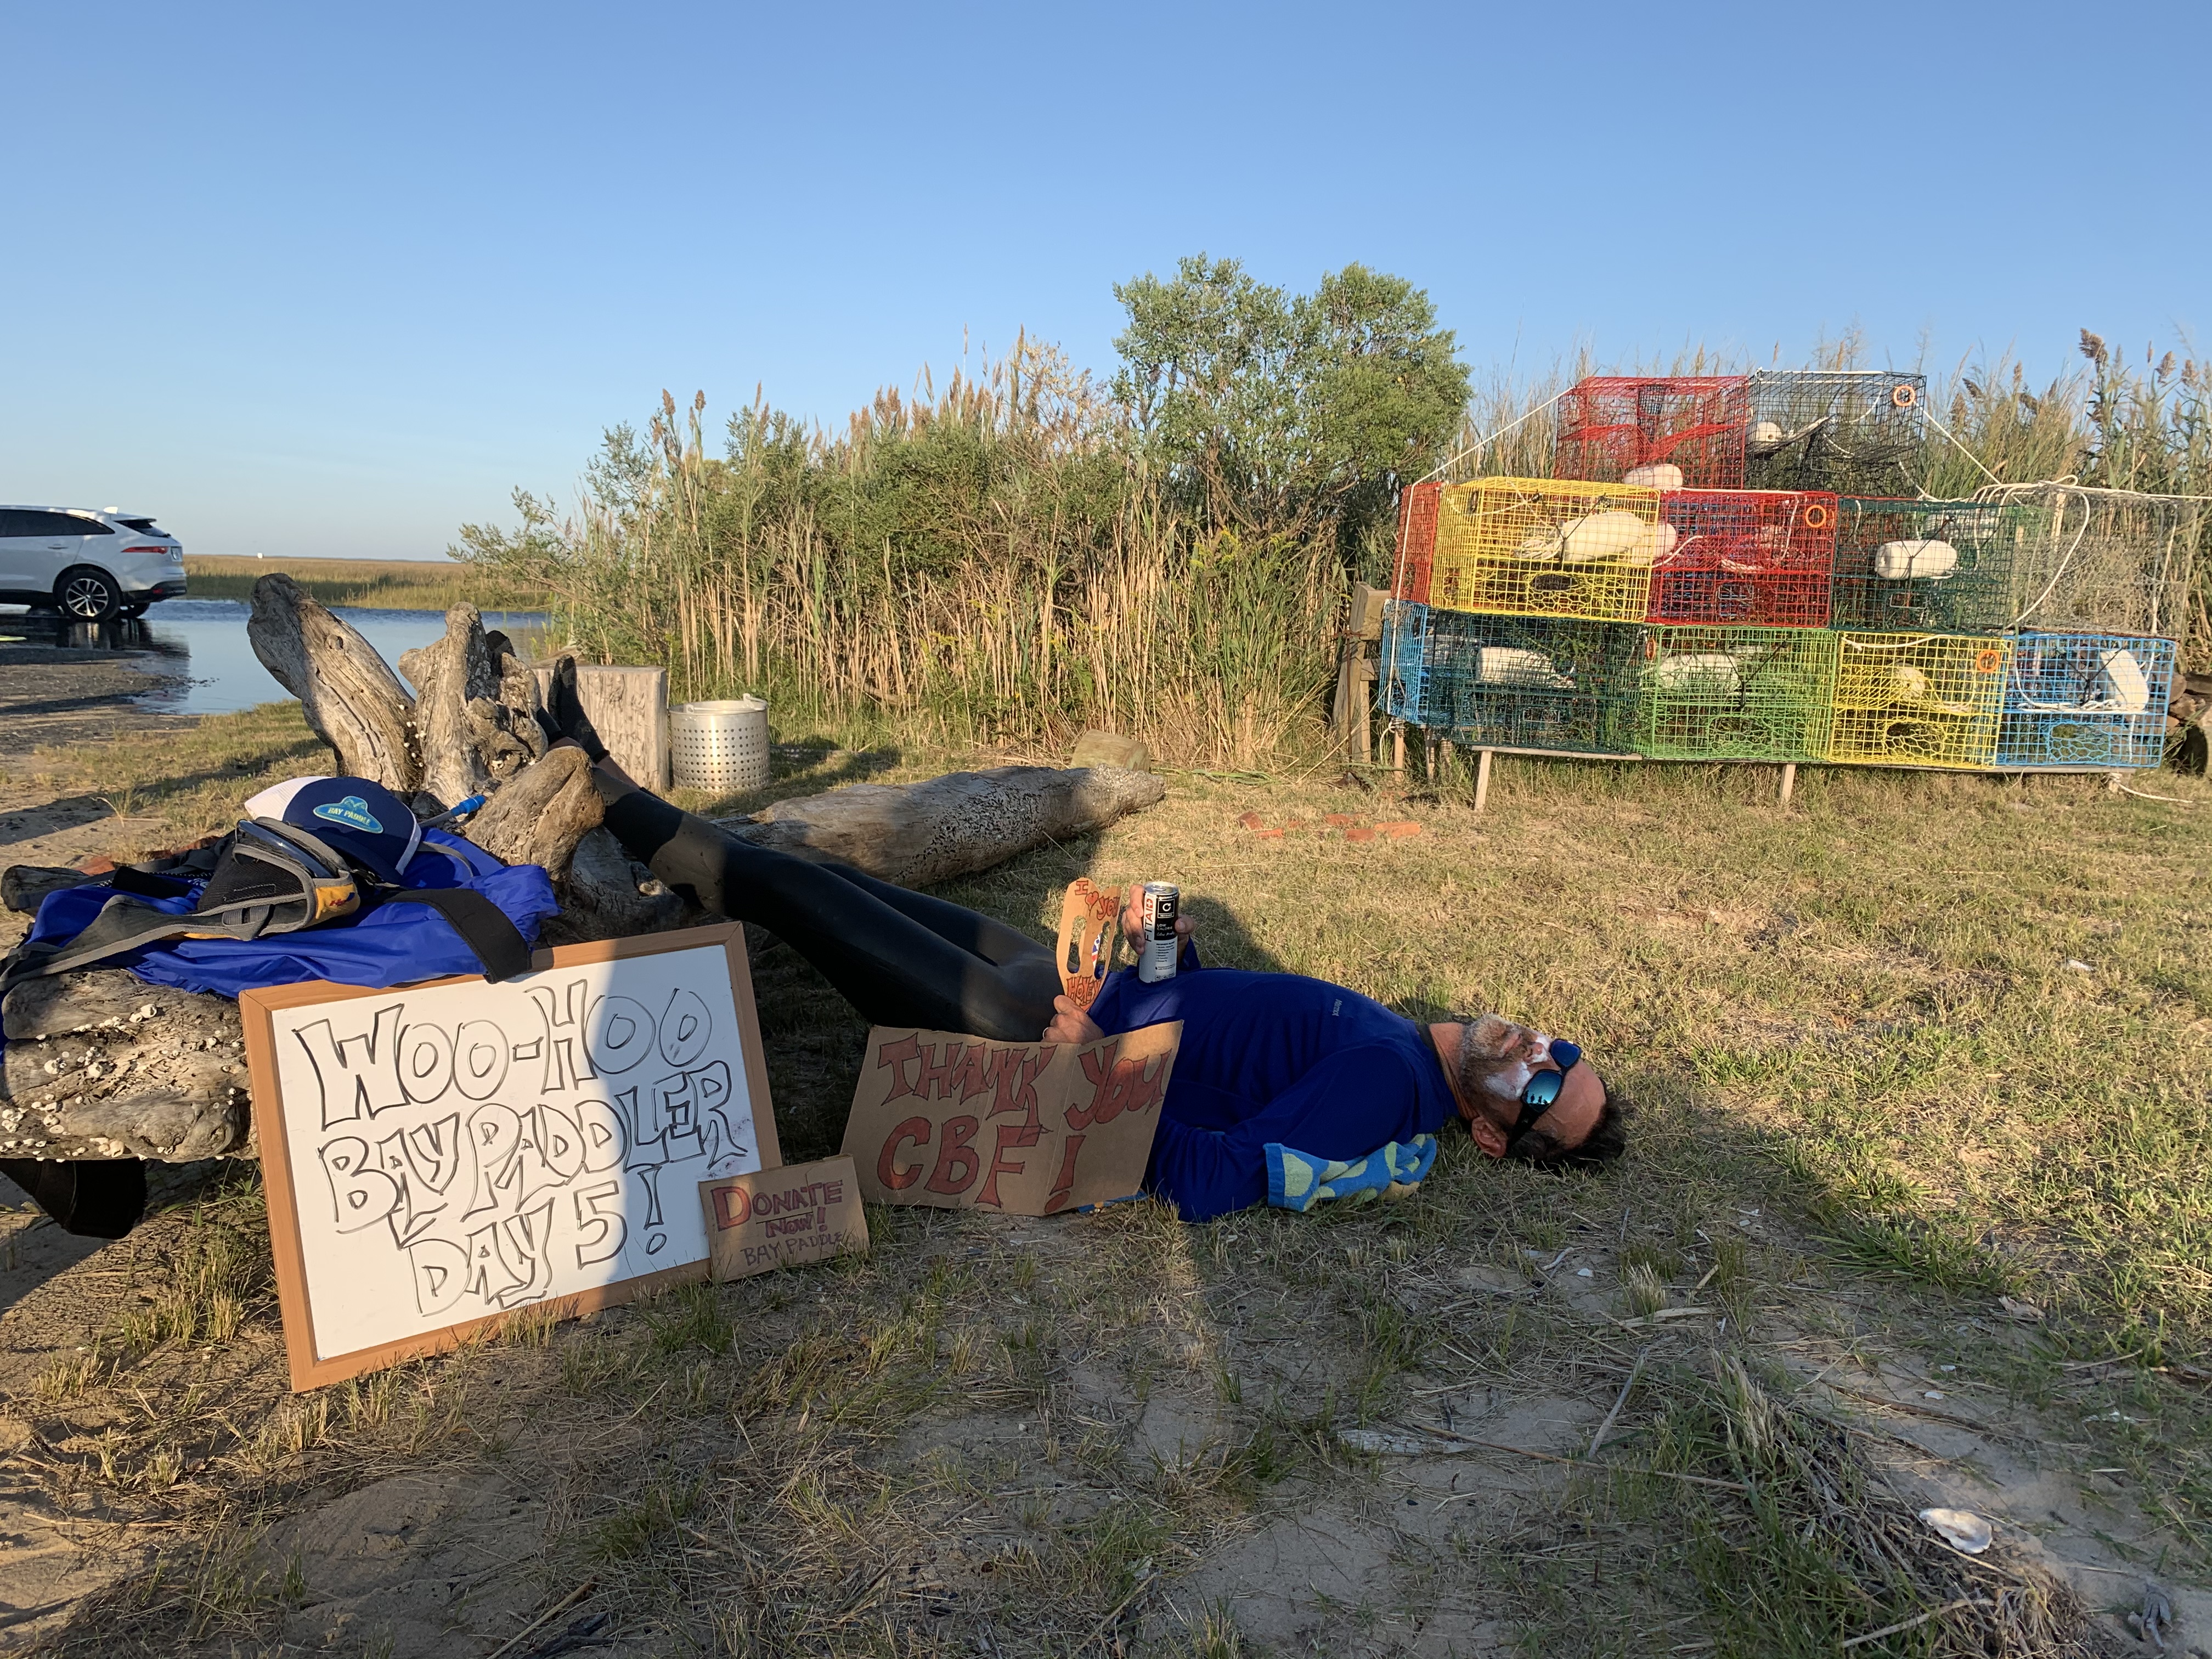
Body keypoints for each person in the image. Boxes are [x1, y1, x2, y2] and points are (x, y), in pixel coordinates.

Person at [548, 674, 1624, 1223]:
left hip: (1034, 1035)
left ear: (1494, 1139)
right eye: (1565, 1059)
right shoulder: (1402, 1035)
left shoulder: (1389, 1094)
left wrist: (1094, 1077)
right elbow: (1219, 1053)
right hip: (1072, 982)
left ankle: (597, 785)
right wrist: (1172, 955)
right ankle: (622, 802)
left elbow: (1210, 1177)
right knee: (843, 878)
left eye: (1543, 1100)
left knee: (794, 891)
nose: (1544, 1062)